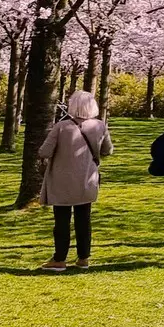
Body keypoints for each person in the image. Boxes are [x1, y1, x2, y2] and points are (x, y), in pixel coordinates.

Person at [38, 91, 113, 271]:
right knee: (84, 219)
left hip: (62, 180)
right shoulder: (99, 126)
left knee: (62, 220)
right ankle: (83, 257)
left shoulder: (61, 127)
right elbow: (107, 150)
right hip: (87, 178)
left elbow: (44, 152)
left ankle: (60, 258)